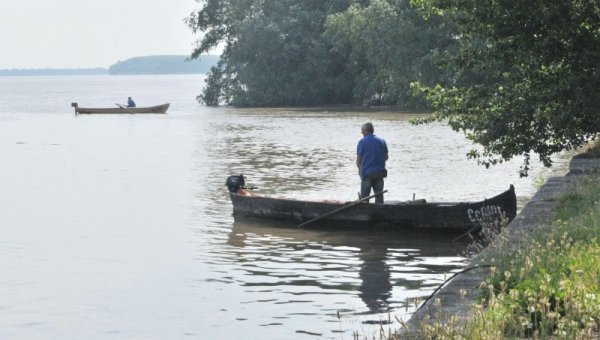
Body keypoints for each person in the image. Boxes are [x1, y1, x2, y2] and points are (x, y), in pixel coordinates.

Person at [356, 122, 388, 204]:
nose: (361, 132)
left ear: (366, 130)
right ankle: (380, 214)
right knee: (379, 197)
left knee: (364, 199)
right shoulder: (382, 141)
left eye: (362, 130)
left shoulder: (362, 142)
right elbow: (386, 157)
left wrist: (360, 171)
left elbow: (358, 160)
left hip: (367, 174)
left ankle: (365, 214)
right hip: (380, 173)